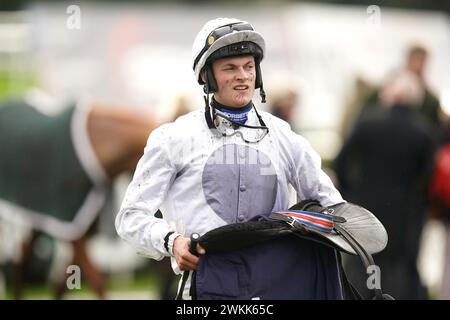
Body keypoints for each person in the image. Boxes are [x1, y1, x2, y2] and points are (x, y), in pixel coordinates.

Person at [116, 17, 352, 300]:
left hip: (275, 287)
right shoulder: (172, 138)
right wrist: (172, 242)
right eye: (230, 68)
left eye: (249, 67)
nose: (242, 76)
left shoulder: (283, 136)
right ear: (206, 76)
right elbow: (130, 217)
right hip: (205, 284)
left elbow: (330, 205)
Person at [334, 71, 436, 299]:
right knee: (396, 268)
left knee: (361, 261)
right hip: (404, 211)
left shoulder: (368, 123)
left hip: (365, 206)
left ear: (389, 95)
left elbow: (342, 162)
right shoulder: (423, 131)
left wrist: (351, 192)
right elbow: (427, 177)